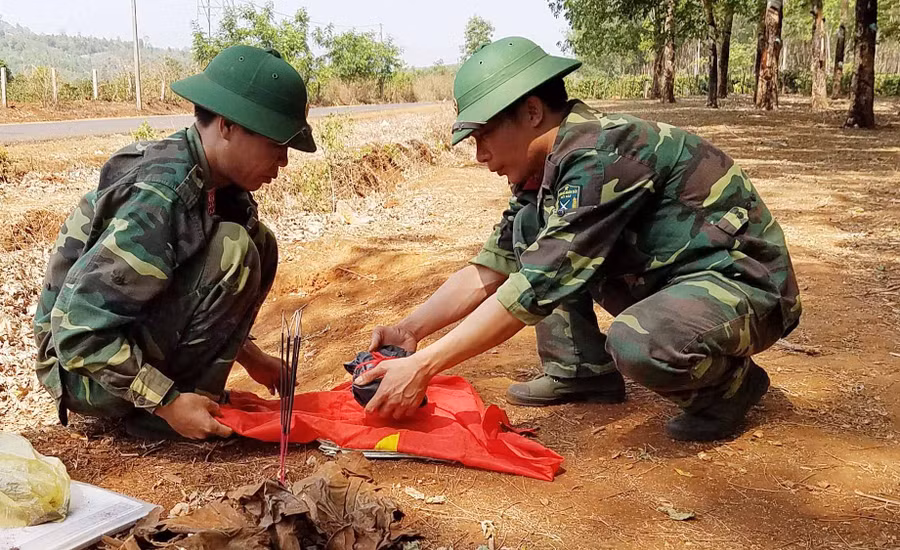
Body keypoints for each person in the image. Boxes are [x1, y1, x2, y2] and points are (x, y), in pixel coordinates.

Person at [359, 37, 802, 441]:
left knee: (637, 340)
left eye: (485, 135)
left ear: (532, 112)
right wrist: (410, 330)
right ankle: (580, 370)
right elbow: (491, 269)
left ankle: (730, 391)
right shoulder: (546, 169)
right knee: (531, 229)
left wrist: (424, 365)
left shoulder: (600, 158)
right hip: (675, 280)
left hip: (744, 284)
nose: (480, 156)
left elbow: (534, 286)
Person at [33, 45, 316, 440]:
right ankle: (164, 414)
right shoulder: (162, 195)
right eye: (276, 145)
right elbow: (77, 333)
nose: (283, 162)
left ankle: (199, 398)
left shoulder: (220, 184)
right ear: (228, 126)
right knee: (235, 250)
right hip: (81, 372)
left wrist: (253, 359)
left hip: (109, 346)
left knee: (258, 243)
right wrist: (167, 403)